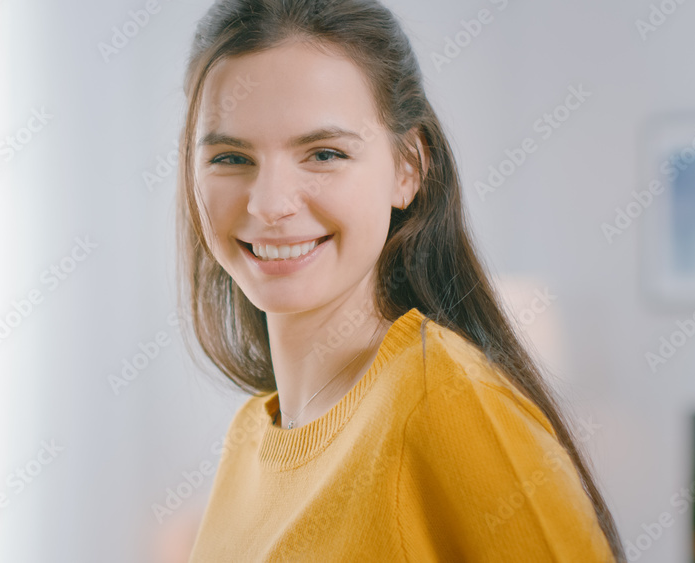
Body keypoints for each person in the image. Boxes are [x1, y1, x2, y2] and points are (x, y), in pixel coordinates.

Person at [173, 0, 625, 560]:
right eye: (230, 158)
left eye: (323, 153)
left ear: (408, 168)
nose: (269, 204)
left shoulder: (444, 399)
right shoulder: (248, 439)